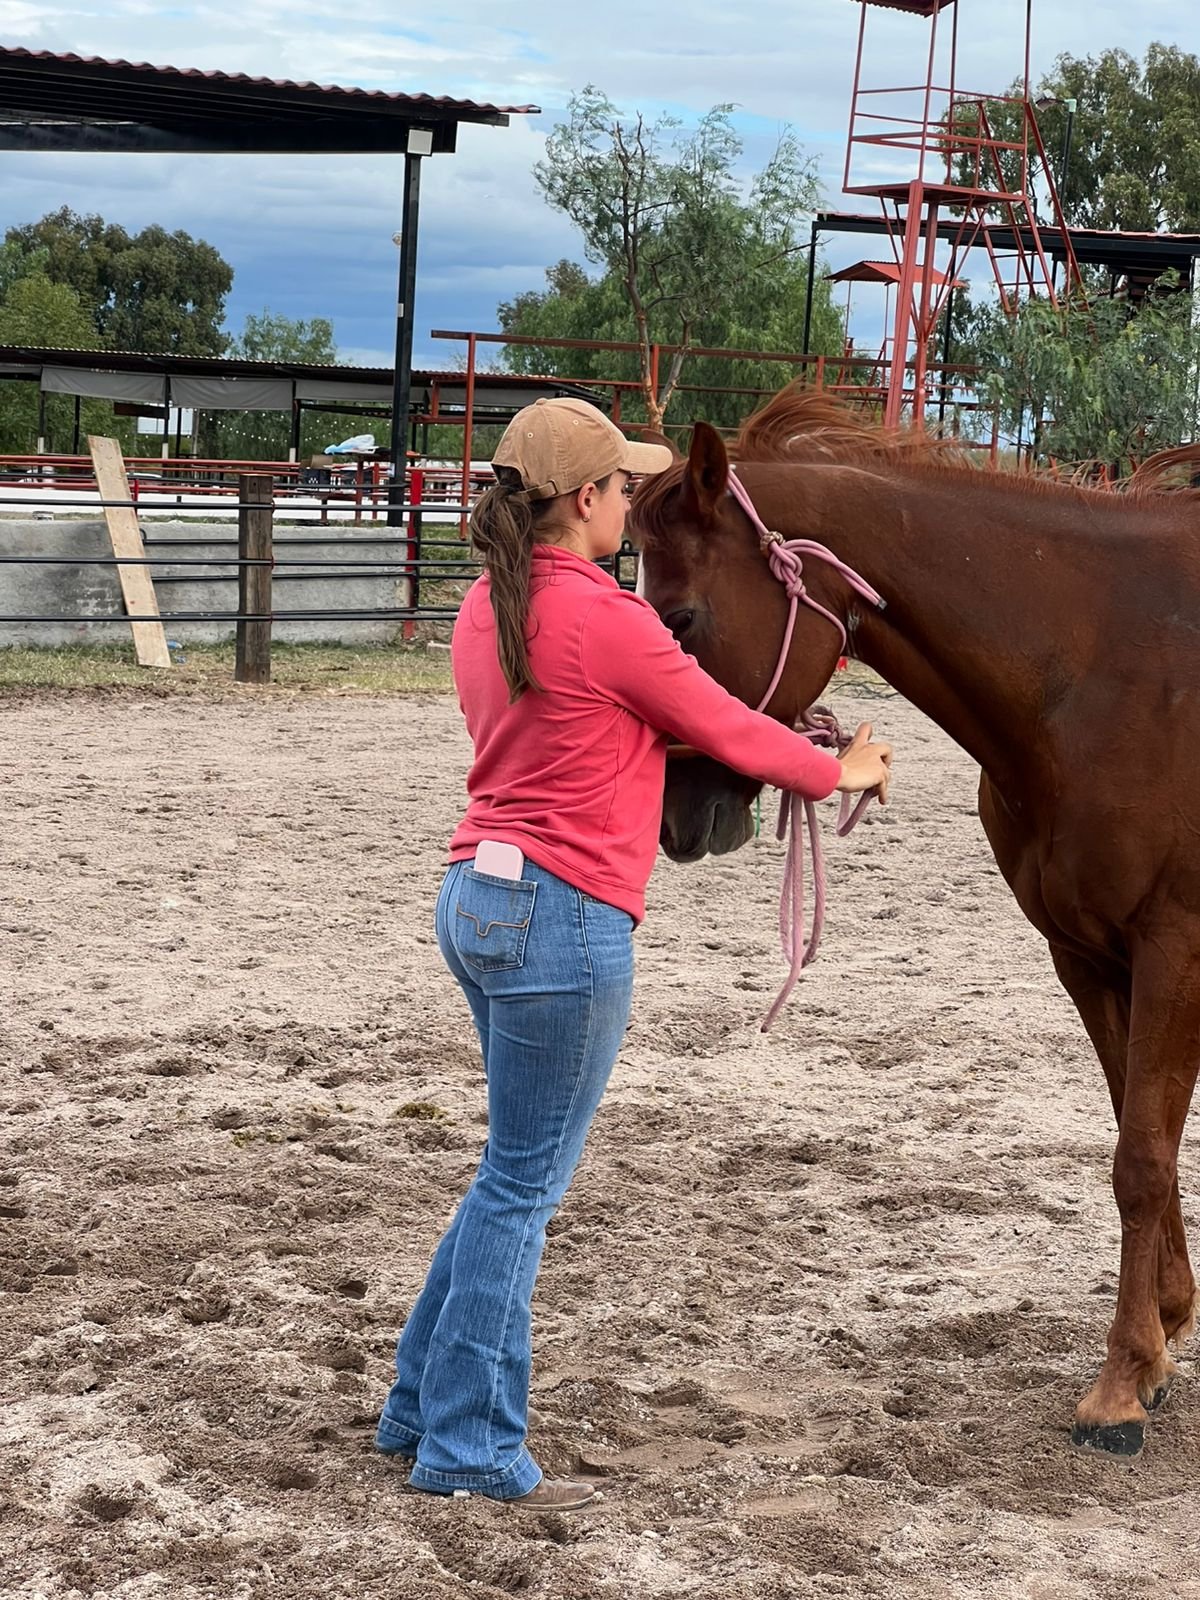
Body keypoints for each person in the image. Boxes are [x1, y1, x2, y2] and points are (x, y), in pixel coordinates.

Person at [375, 397, 892, 1510]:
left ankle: (420, 1404)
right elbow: (722, 722)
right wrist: (836, 768)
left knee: (508, 1174)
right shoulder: (609, 620)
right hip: (563, 917)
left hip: (478, 894)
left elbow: (595, 721)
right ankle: (467, 1447)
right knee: (521, 1188)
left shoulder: (487, 605)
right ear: (584, 500)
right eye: (620, 488)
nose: (629, 505)